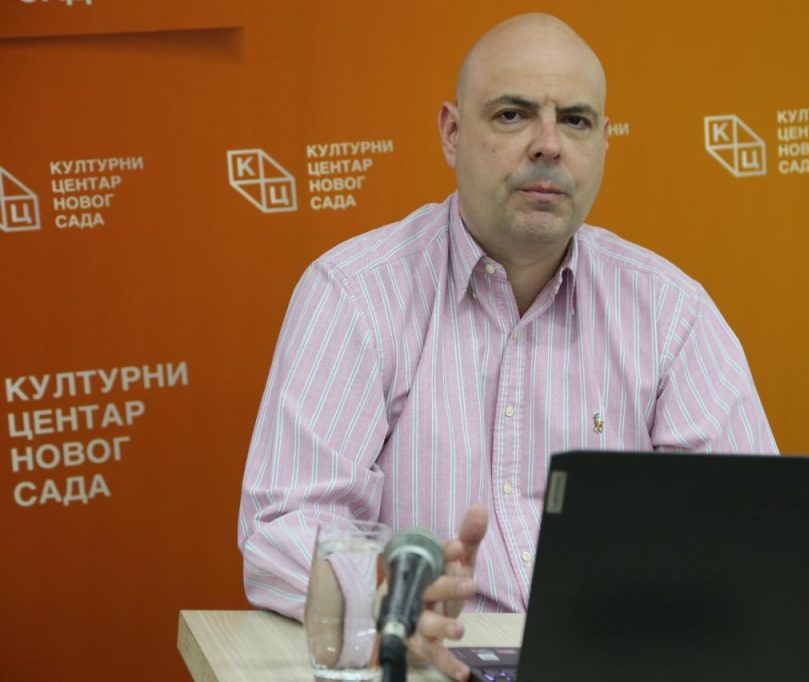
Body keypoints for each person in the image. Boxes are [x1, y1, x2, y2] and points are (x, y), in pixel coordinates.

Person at [238, 12, 777, 681]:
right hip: (424, 664)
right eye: (513, 115)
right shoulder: (356, 294)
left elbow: (753, 534)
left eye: (575, 121)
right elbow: (286, 525)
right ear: (452, 133)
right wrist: (388, 603)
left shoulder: (672, 314)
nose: (548, 145)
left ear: (604, 142)